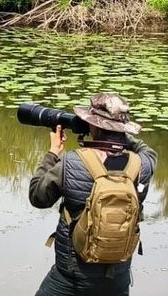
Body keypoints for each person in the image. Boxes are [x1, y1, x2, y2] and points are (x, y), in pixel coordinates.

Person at [29, 92, 158, 296]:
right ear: (124, 128)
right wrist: (120, 132)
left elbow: (38, 197)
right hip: (118, 280)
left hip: (71, 279)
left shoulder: (72, 162)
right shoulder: (143, 164)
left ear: (94, 125)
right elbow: (147, 150)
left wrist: (53, 153)